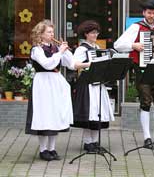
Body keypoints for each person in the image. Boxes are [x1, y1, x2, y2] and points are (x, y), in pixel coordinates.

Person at [114, 0, 154, 148]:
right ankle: (147, 137)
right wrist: (133, 45)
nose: (152, 15)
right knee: (145, 101)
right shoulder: (136, 28)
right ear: (144, 13)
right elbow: (117, 45)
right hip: (142, 68)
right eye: (149, 13)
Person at [25, 19, 88, 161]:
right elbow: (47, 64)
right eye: (48, 32)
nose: (51, 34)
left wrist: (67, 53)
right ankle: (43, 150)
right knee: (44, 115)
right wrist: (60, 52)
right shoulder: (37, 49)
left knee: (55, 114)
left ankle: (52, 148)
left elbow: (71, 64)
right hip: (43, 83)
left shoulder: (55, 48)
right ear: (40, 34)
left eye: (52, 31)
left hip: (56, 82)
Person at [72, 20, 115, 152]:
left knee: (98, 113)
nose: (95, 35)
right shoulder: (81, 49)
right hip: (87, 84)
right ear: (86, 34)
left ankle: (95, 142)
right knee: (89, 113)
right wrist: (89, 64)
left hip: (98, 83)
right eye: (92, 33)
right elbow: (74, 64)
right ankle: (87, 142)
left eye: (96, 32)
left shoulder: (97, 48)